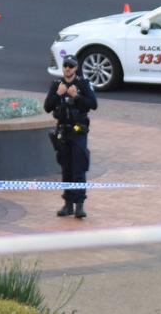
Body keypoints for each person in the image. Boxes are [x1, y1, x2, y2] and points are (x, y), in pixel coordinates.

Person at [44, 54, 98, 219]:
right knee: (66, 168)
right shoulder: (57, 85)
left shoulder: (82, 84)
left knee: (79, 168)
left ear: (76, 68)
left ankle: (79, 205)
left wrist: (76, 96)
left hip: (78, 132)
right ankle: (68, 204)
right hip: (63, 132)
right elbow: (47, 107)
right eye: (66, 65)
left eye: (71, 66)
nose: (68, 68)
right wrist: (59, 94)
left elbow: (93, 105)